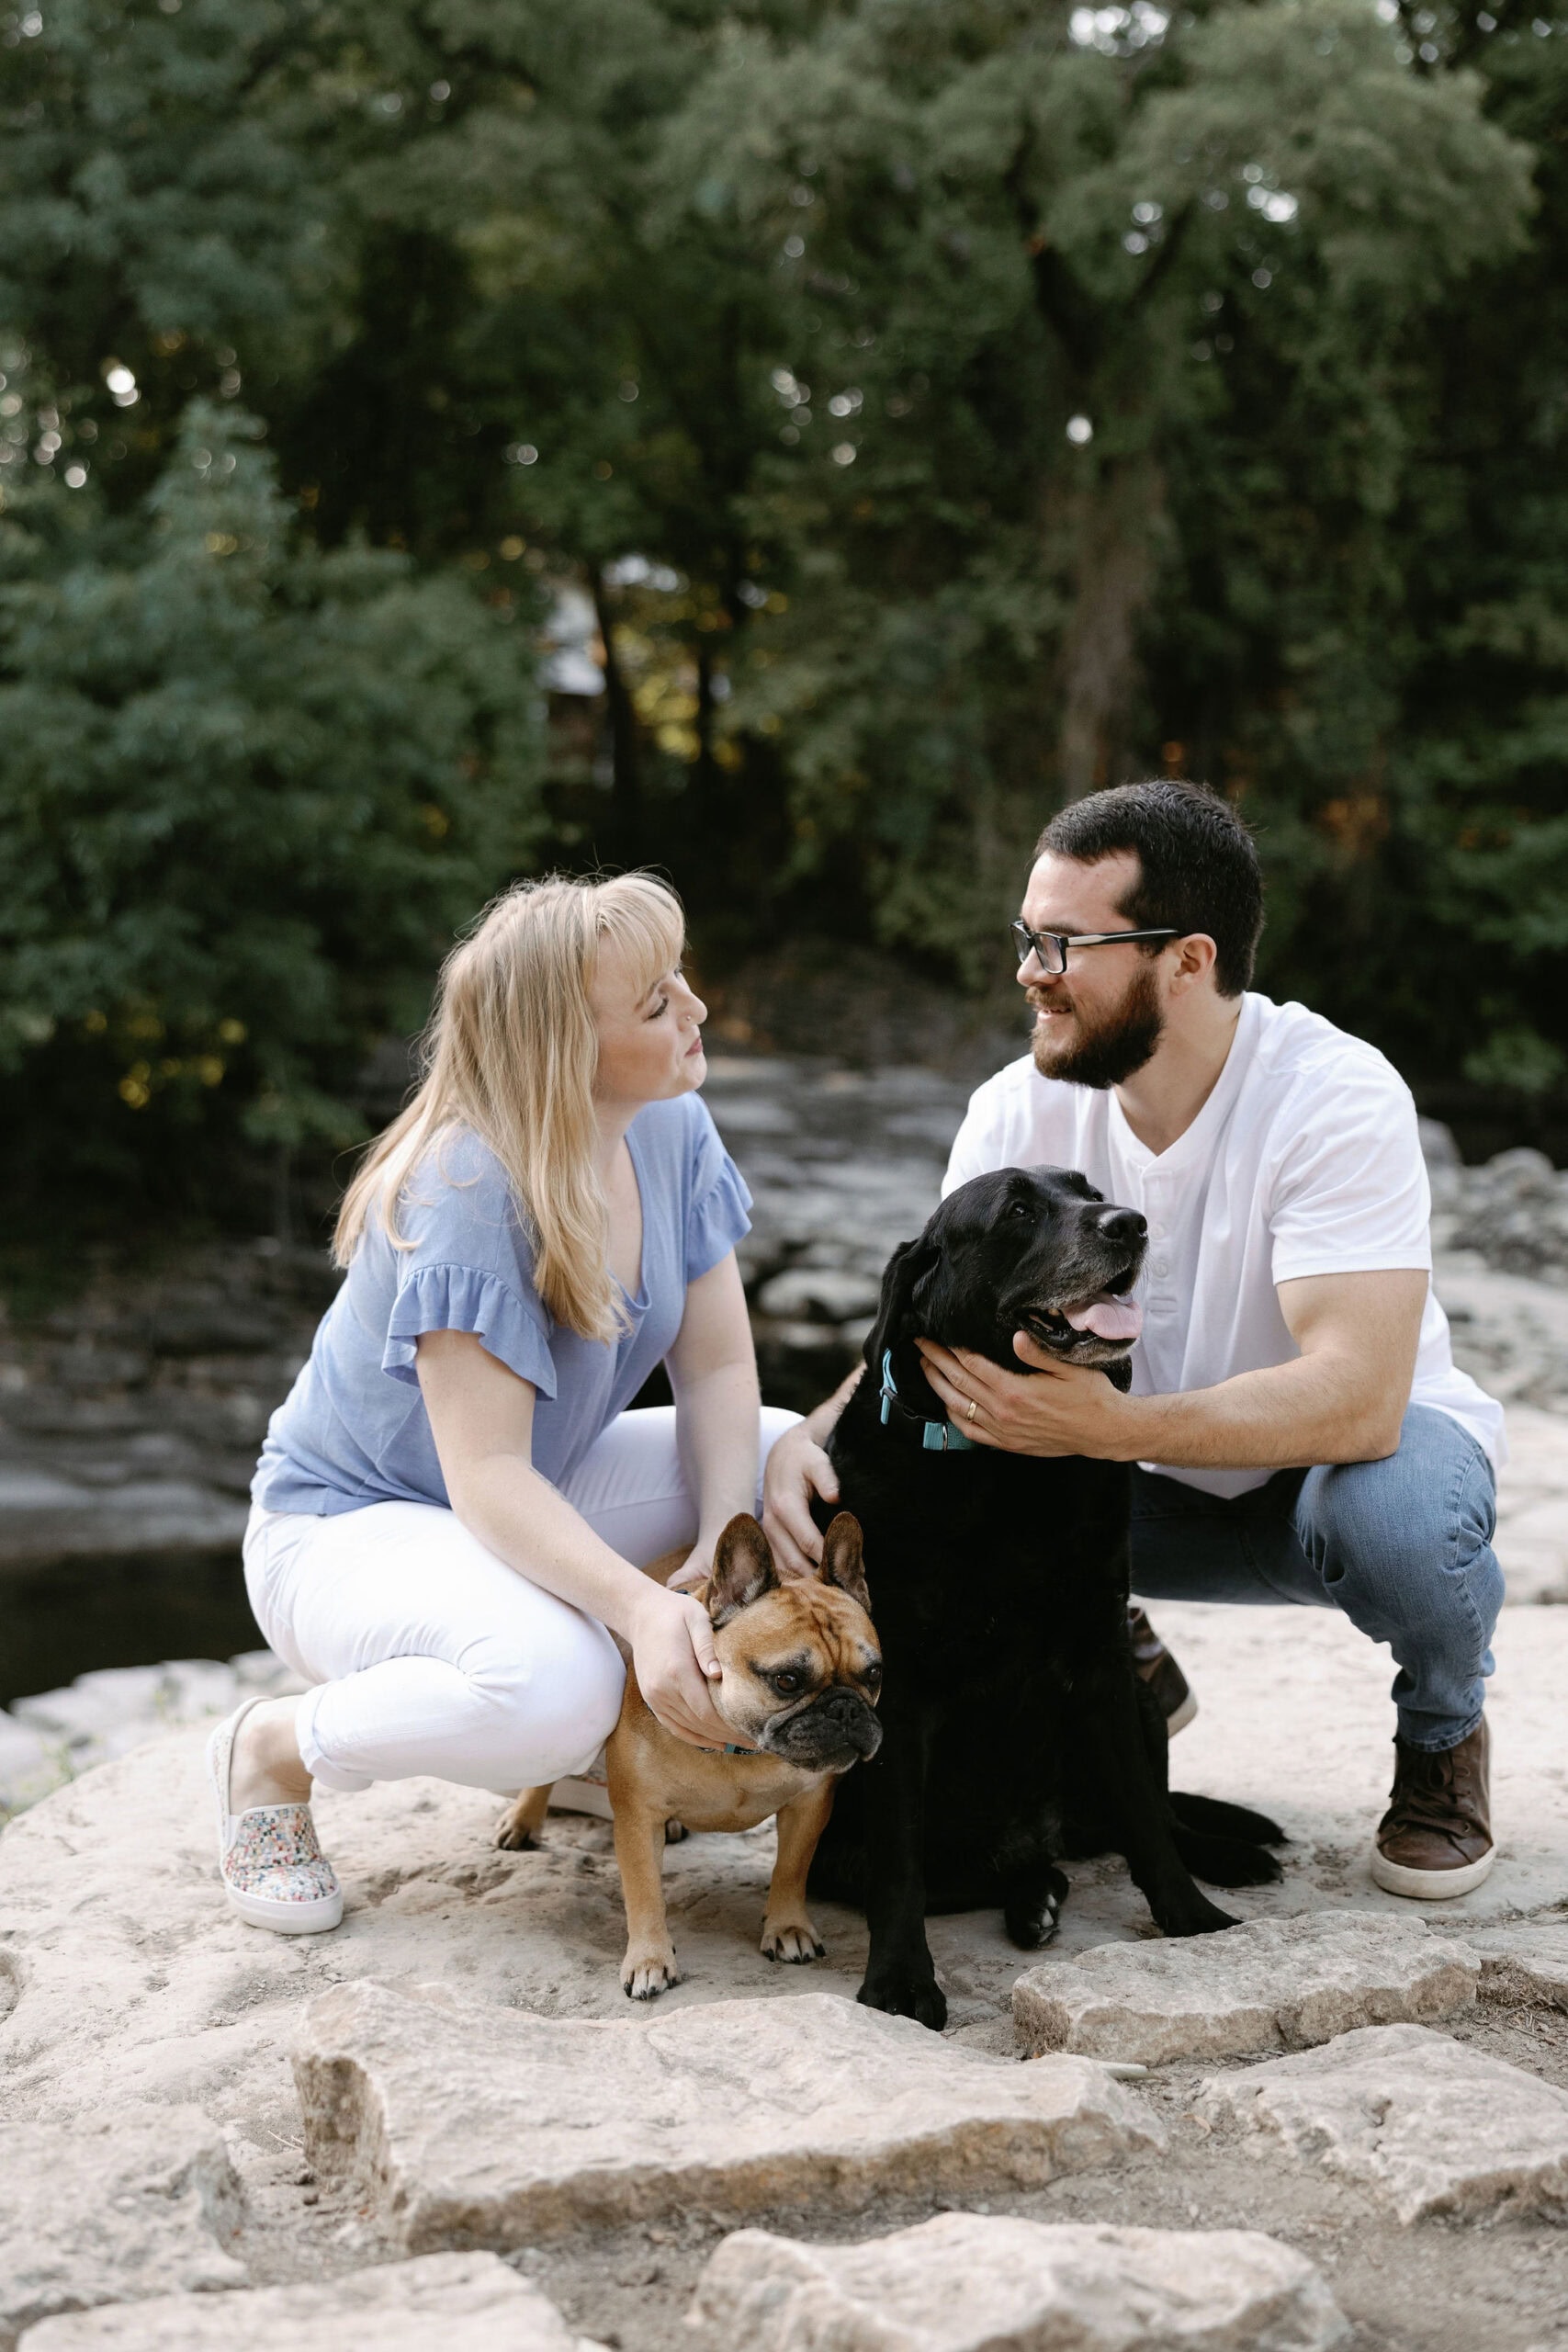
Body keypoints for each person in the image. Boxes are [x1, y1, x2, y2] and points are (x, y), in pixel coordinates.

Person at [764, 780, 1505, 1900]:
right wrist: (800, 1442)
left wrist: (1112, 1428)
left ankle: (1443, 1740)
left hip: (1331, 1482)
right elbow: (929, 1337)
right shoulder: (1017, 1110)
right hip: (1130, 1491)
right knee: (874, 1486)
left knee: (1400, 1516)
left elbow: (1359, 1400)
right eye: (1027, 936)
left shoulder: (1333, 1094)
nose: (1029, 969)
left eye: (1063, 942)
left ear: (1188, 961)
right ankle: (1103, 1648)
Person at [210, 873, 795, 1934]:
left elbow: (713, 1371)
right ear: (566, 1050)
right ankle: (272, 1751)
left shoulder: (671, 1125)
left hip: (526, 1488)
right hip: (345, 1528)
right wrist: (641, 1606)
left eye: (681, 980)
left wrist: (724, 1539)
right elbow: (484, 1477)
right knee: (555, 1685)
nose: (697, 1011)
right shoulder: (472, 1188)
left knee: (786, 1454)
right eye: (658, 1004)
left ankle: (584, 1759)